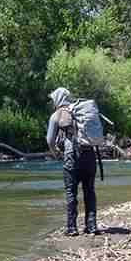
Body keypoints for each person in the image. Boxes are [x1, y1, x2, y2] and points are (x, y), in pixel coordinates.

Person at [46, 86, 98, 236]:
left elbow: (50, 140)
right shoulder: (82, 111)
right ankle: (91, 226)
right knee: (89, 191)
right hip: (90, 156)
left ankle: (72, 228)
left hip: (71, 157)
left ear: (57, 99)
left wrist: (56, 154)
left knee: (71, 192)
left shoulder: (56, 116)